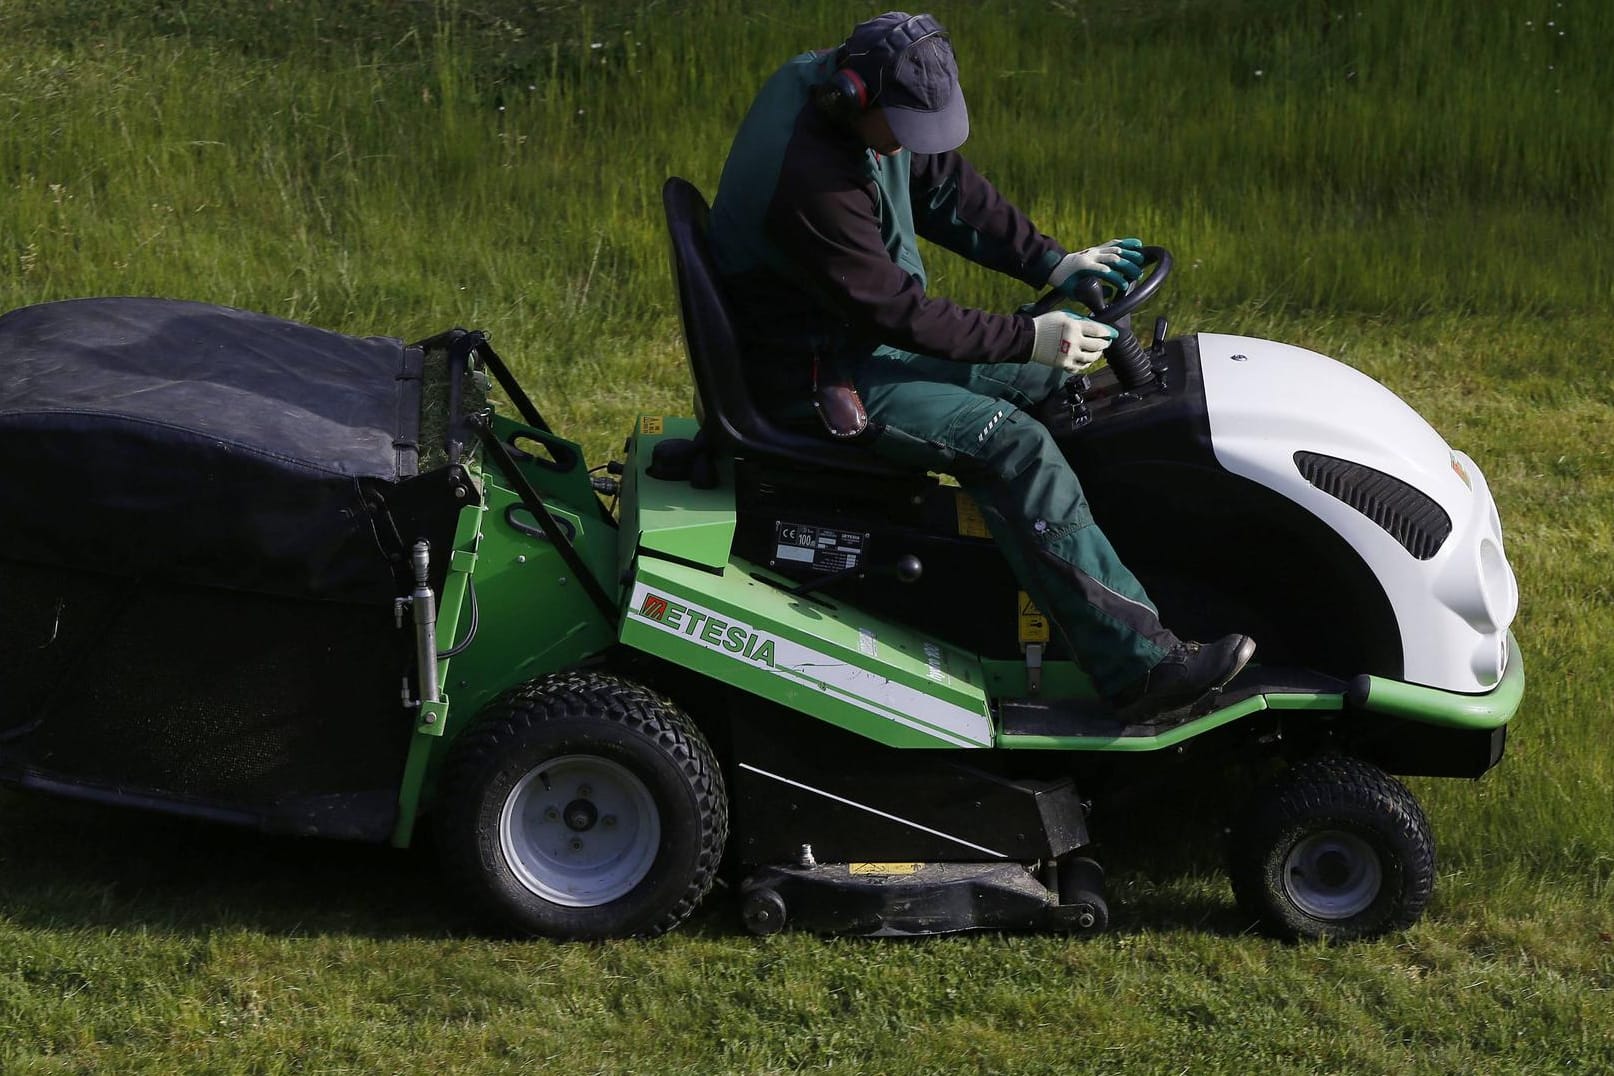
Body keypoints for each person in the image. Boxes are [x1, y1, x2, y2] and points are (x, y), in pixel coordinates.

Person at [708, 11, 1254, 724]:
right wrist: (1029, 338)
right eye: (902, 128)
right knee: (1014, 445)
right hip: (822, 378)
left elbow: (944, 186)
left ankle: (1117, 594)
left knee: (1079, 385)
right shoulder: (810, 180)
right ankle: (1141, 671)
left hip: (859, 341)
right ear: (855, 95)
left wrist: (1051, 260)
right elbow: (898, 313)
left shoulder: (858, 100)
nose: (909, 144)